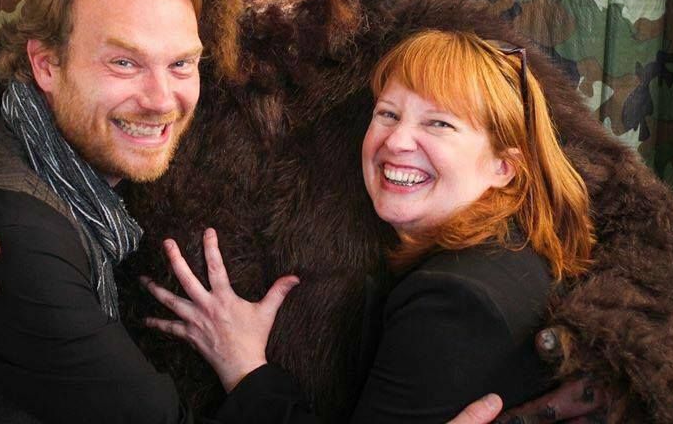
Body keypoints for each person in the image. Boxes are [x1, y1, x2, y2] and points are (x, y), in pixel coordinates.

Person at [0, 0, 502, 424]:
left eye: (182, 64)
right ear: (45, 65)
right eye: (123, 62)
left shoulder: (78, 181)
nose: (160, 98)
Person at [144, 30, 595, 422]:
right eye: (388, 114)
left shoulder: (457, 300)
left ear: (503, 167)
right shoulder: (508, 253)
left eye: (439, 123)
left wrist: (243, 367)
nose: (396, 141)